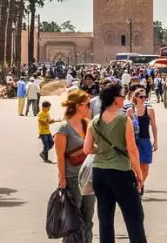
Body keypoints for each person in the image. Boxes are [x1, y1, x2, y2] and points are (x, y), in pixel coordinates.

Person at [84, 82, 147, 243]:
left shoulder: (95, 121)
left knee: (105, 218)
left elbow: (87, 149)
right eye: (121, 96)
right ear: (116, 100)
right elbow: (132, 149)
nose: (123, 99)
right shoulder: (123, 119)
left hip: (99, 172)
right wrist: (139, 174)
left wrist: (103, 149)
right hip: (120, 172)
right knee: (134, 216)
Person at [55, 90, 96, 243]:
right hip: (72, 178)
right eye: (87, 104)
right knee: (72, 220)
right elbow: (60, 156)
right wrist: (62, 178)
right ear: (78, 106)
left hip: (89, 179)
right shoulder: (63, 129)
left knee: (88, 216)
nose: (89, 108)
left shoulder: (88, 124)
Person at [132, 87, 157, 192]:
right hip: (133, 141)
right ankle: (136, 186)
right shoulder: (131, 111)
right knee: (133, 166)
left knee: (145, 167)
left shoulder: (149, 110)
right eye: (141, 97)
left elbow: (154, 126)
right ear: (136, 97)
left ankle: (141, 183)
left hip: (145, 140)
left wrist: (155, 141)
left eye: (145, 96)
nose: (143, 99)